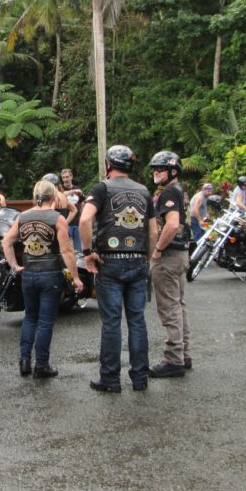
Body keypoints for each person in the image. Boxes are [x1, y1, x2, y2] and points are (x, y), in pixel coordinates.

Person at [80, 145, 157, 393]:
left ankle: (111, 379)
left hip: (110, 261)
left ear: (108, 165)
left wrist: (87, 252)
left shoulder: (102, 188)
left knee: (111, 322)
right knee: (137, 320)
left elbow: (84, 219)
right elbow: (153, 230)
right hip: (137, 260)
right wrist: (148, 258)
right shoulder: (145, 191)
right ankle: (140, 378)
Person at [1, 179, 84, 379]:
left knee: (30, 317)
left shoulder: (23, 217)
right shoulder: (57, 219)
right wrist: (75, 277)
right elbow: (66, 250)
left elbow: (6, 242)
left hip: (28, 273)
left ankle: (24, 361)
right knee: (45, 321)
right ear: (54, 196)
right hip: (50, 274)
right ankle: (42, 365)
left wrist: (14, 266)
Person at [148, 151, 193, 379]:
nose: (156, 172)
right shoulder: (180, 190)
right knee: (179, 305)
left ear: (173, 171)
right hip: (180, 254)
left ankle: (173, 358)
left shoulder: (169, 192)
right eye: (154, 168)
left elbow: (172, 224)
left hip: (169, 256)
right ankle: (184, 354)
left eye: (160, 168)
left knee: (169, 308)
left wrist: (157, 250)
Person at [60, 168, 84, 252]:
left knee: (79, 249)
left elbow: (82, 203)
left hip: (77, 223)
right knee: (67, 249)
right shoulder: (60, 189)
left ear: (71, 177)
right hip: (65, 222)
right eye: (63, 177)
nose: (65, 179)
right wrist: (73, 191)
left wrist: (82, 218)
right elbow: (61, 195)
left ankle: (79, 265)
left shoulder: (78, 188)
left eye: (67, 177)